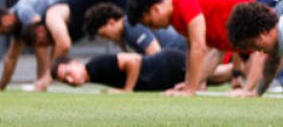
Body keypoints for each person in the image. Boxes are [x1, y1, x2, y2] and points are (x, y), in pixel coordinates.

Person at [127, 0, 283, 96]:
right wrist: (189, 84)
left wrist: (191, 89)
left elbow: (199, 47)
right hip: (263, 5)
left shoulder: (185, 0)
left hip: (266, 0)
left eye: (150, 23)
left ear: (155, 9)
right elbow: (215, 51)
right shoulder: (176, 21)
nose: (154, 29)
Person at [0, 0, 71, 91]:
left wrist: (41, 81)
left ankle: (43, 82)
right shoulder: (17, 24)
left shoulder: (23, 11)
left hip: (72, 2)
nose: (4, 34)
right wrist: (0, 87)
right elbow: (11, 58)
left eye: (2, 31)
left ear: (5, 19)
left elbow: (40, 44)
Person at [42, 0, 132, 66]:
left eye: (42, 44)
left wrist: (49, 74)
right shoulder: (60, 33)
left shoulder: (52, 15)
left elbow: (64, 45)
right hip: (107, 1)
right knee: (120, 32)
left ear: (40, 30)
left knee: (126, 28)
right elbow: (59, 48)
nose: (44, 46)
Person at [52, 50, 187, 93]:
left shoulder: (96, 66)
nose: (70, 80)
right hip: (167, 72)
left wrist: (126, 90)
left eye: (68, 73)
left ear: (75, 62)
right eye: (65, 80)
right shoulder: (93, 74)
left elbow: (133, 60)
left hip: (170, 66)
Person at [83, 2, 186, 54]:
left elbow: (156, 54)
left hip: (183, 53)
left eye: (103, 34)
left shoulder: (131, 26)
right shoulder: (124, 36)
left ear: (111, 22)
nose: (105, 39)